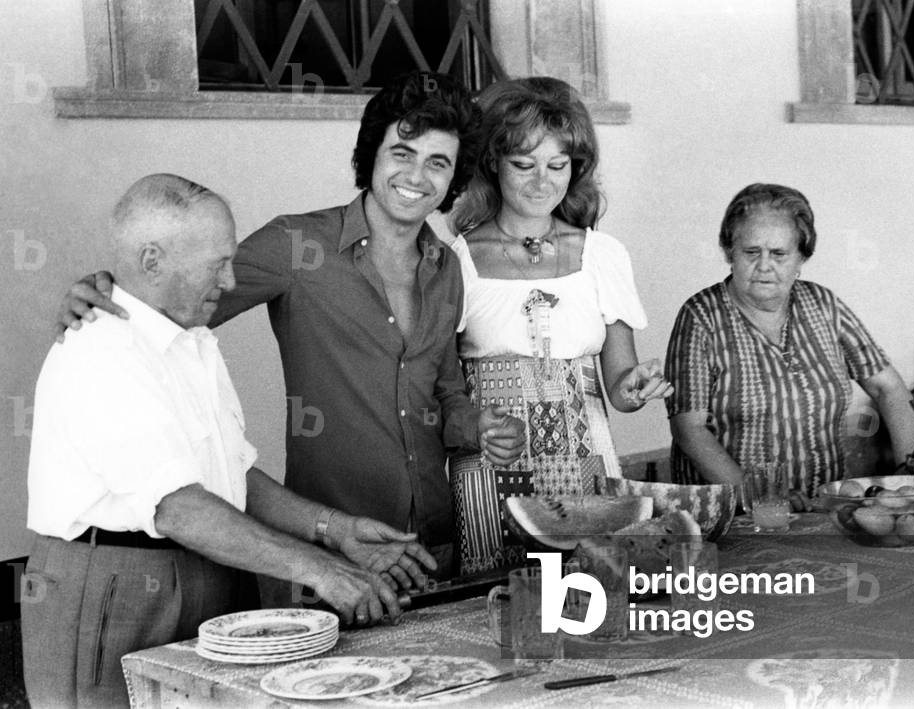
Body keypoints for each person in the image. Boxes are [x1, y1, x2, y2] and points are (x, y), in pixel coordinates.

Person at [54, 72, 527, 580]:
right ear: (371, 155)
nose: (417, 175)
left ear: (454, 177)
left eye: (438, 162)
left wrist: (478, 426)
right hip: (330, 548)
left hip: (433, 542)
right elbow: (172, 301)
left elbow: (445, 390)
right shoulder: (296, 246)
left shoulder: (447, 266)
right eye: (402, 153)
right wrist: (102, 293)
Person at [23, 174, 434, 709]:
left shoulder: (192, 341)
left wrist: (335, 530)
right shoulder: (103, 349)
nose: (230, 279)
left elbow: (230, 474)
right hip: (117, 584)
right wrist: (317, 568)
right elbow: (177, 508)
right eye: (216, 264)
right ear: (152, 262)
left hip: (211, 569)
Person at [446, 77, 672, 575]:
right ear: (492, 162)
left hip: (589, 465)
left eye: (557, 165)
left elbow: (620, 385)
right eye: (523, 164)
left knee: (592, 592)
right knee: (495, 598)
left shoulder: (603, 255)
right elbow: (439, 388)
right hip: (490, 463)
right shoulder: (455, 261)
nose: (541, 182)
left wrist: (634, 388)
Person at [664, 183, 914, 502]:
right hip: (734, 515)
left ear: (801, 258)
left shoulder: (823, 305)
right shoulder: (701, 317)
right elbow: (689, 430)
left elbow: (888, 389)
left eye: (779, 254)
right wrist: (762, 496)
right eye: (751, 252)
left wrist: (910, 476)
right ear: (730, 253)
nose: (764, 265)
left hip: (824, 509)